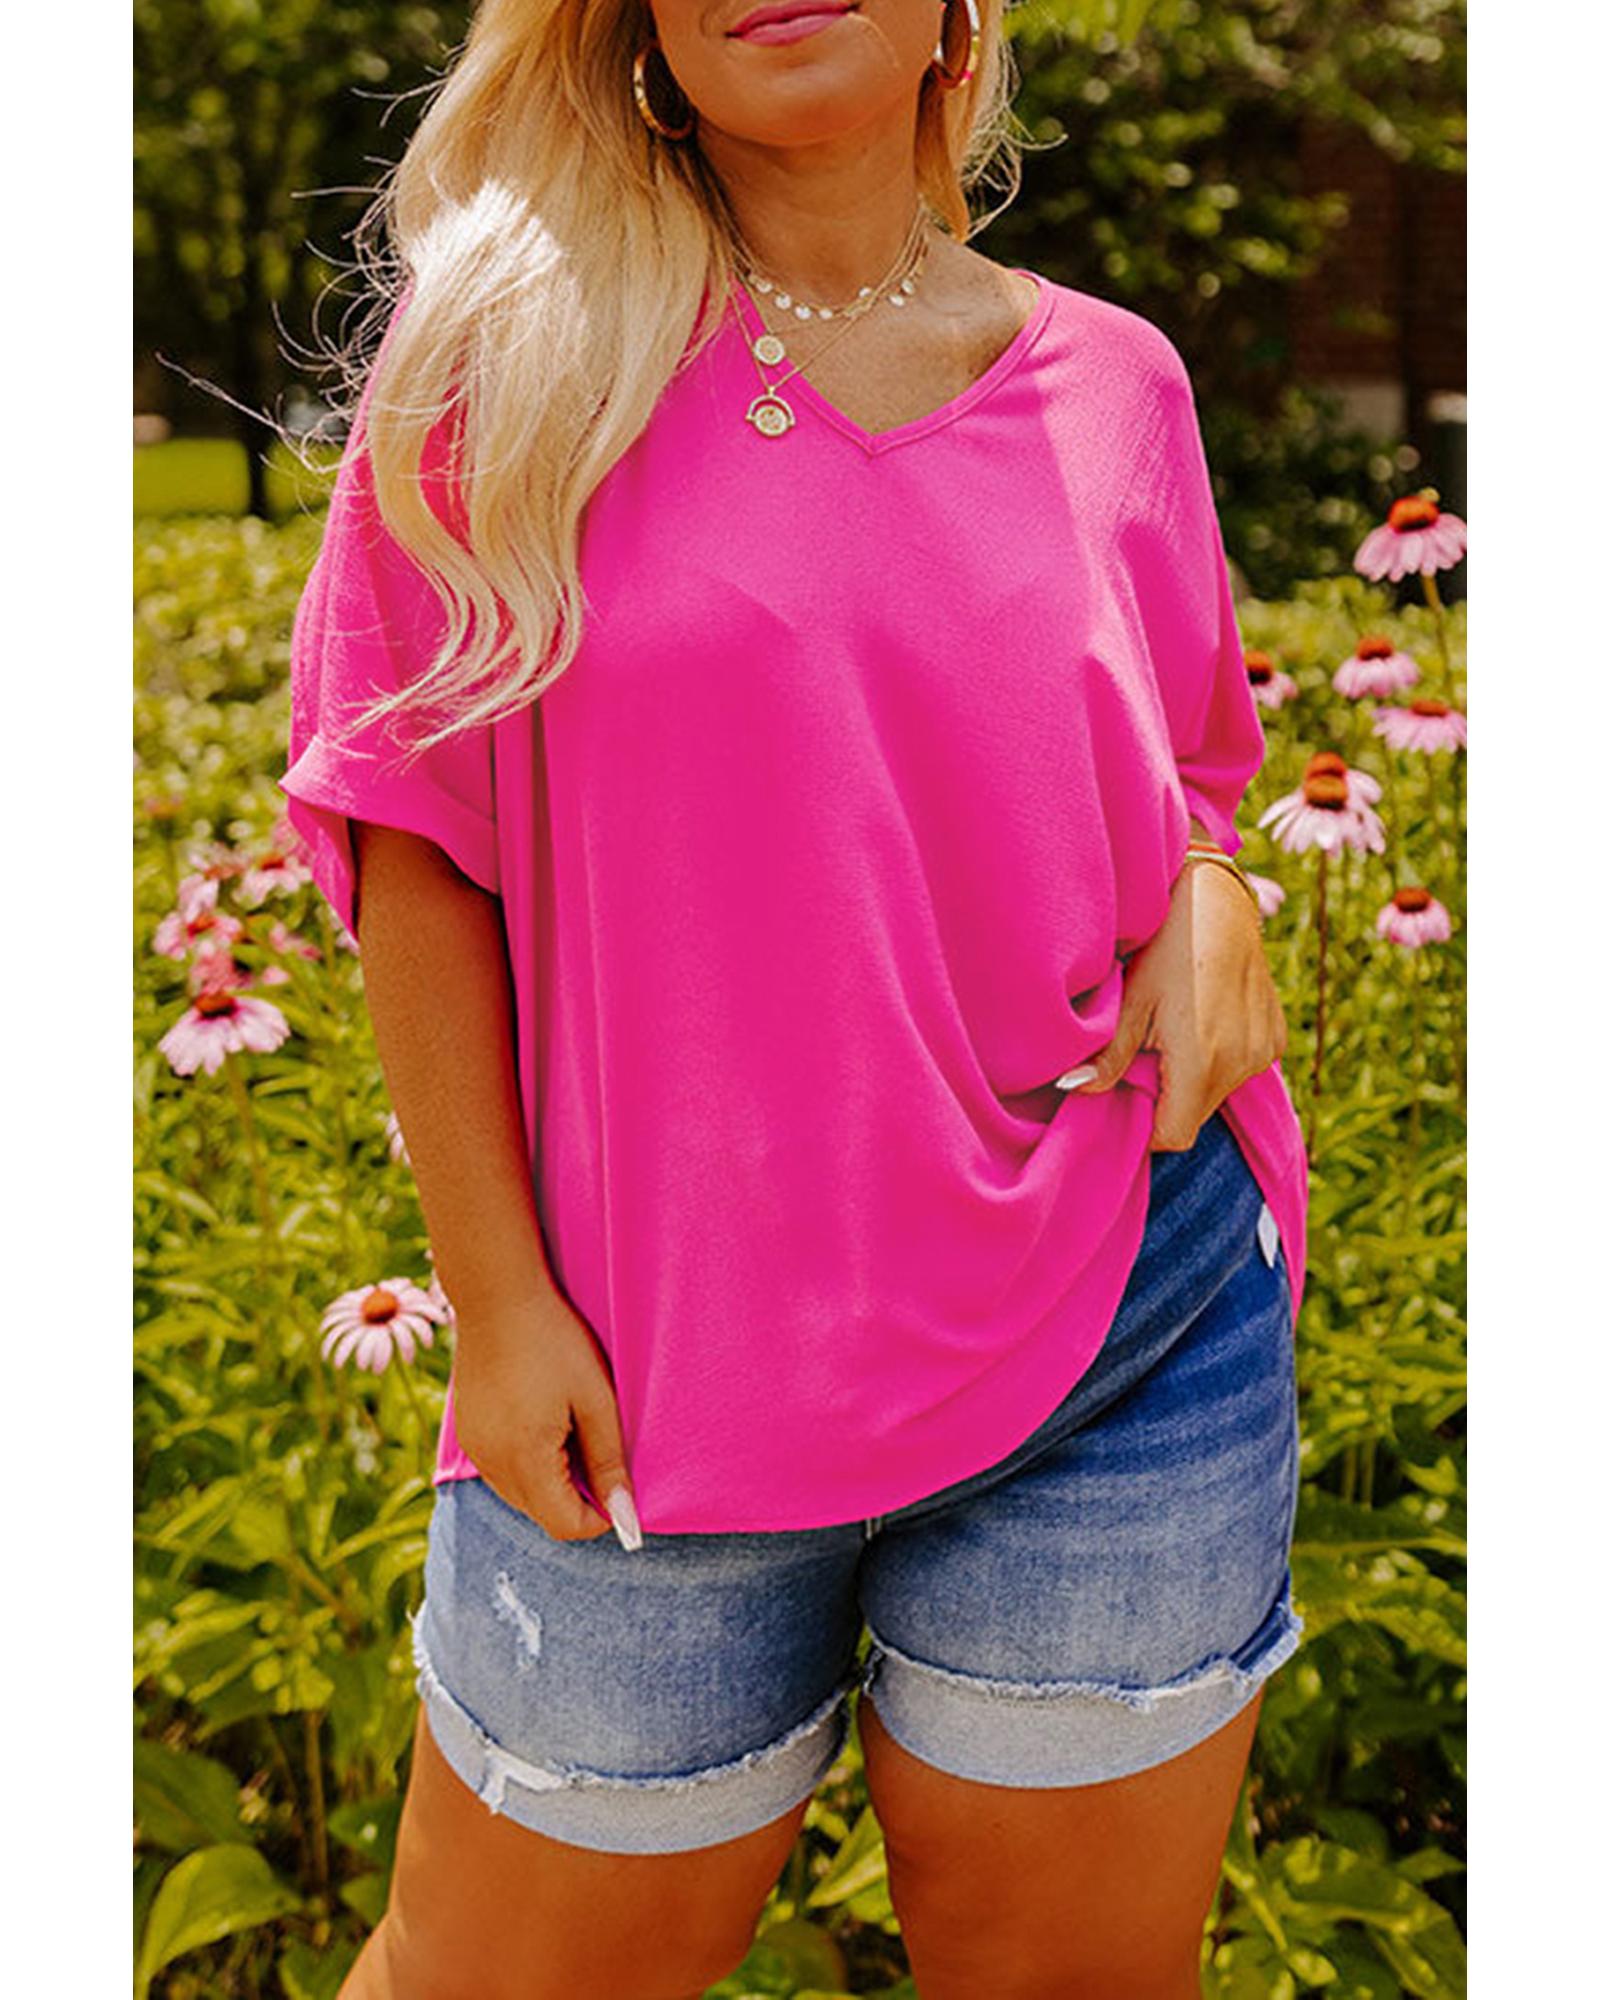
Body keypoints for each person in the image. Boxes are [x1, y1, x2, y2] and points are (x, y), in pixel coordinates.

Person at [278, 2, 1311, 1994]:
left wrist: (1211, 886)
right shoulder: (512, 364)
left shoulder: (1121, 383)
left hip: (1126, 1319)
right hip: (646, 1384)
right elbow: (410, 837)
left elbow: (1176, 762)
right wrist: (497, 1307)